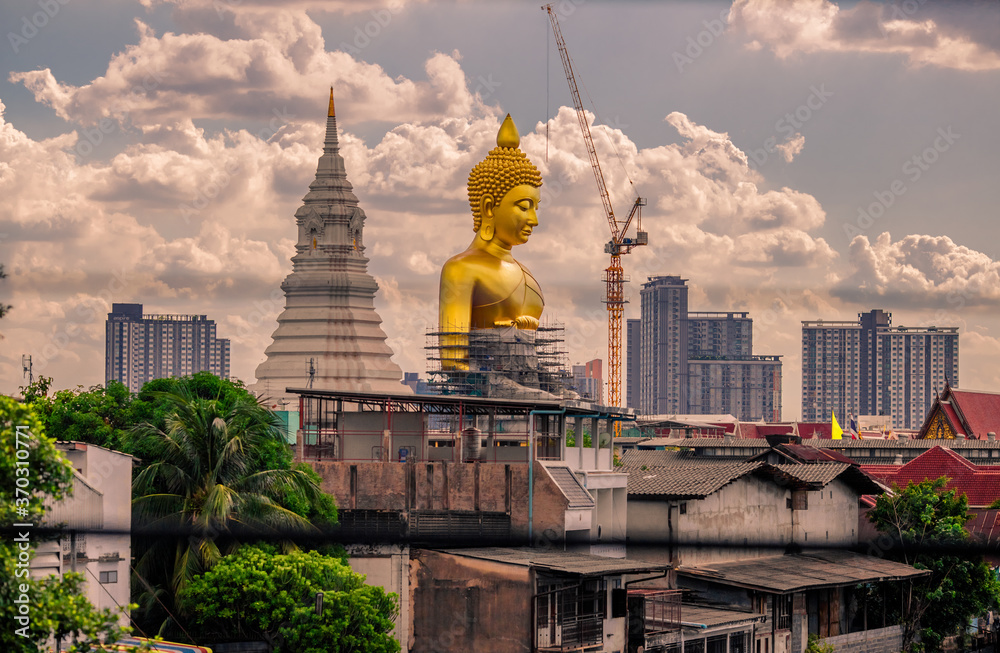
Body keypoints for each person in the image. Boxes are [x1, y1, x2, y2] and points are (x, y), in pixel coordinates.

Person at [439, 114, 544, 371]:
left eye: (536, 208)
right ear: (488, 207)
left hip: (528, 381)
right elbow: (453, 362)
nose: (534, 220)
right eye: (524, 207)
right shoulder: (461, 268)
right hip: (488, 386)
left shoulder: (525, 273)